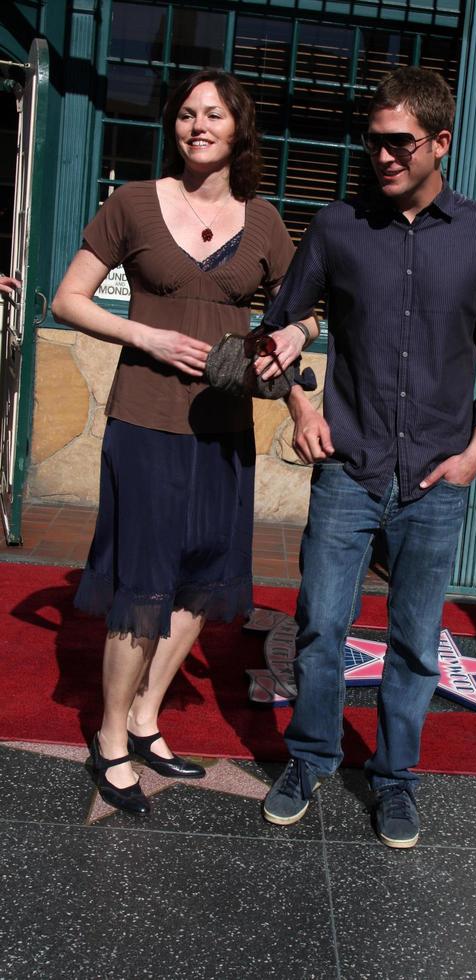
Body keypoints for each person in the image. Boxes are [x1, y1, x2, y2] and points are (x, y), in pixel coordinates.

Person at [258, 67, 476, 848]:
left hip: (439, 477)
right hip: (350, 467)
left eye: (398, 142)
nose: (380, 155)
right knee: (320, 627)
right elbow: (278, 328)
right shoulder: (338, 227)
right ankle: (308, 759)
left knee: (415, 639)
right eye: (372, 140)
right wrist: (302, 407)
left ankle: (396, 779)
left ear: (441, 142)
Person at [52, 69, 318, 815]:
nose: (198, 125)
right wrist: (146, 335)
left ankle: (145, 716)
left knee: (203, 578)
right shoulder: (132, 203)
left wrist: (293, 333)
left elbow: (305, 312)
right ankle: (109, 739)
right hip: (144, 421)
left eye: (214, 115)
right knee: (142, 584)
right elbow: (66, 298)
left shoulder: (263, 221)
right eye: (187, 114)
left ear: (239, 130)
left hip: (225, 428)